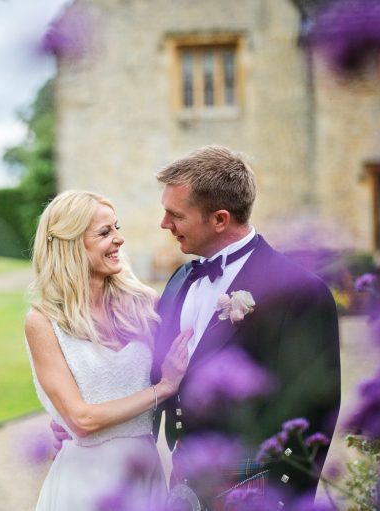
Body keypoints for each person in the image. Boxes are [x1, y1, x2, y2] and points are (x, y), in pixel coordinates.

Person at [152, 145, 342, 507]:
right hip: (185, 478)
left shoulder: (299, 291)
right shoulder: (179, 279)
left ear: (220, 219)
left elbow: (316, 407)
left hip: (254, 486)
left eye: (174, 214)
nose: (164, 224)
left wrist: (284, 496)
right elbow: (156, 375)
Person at [25, 190, 193, 510]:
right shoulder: (43, 321)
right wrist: (163, 388)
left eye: (116, 228)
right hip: (83, 482)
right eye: (105, 233)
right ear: (71, 244)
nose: (119, 239)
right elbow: (81, 419)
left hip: (142, 472)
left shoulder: (146, 305)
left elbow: (187, 371)